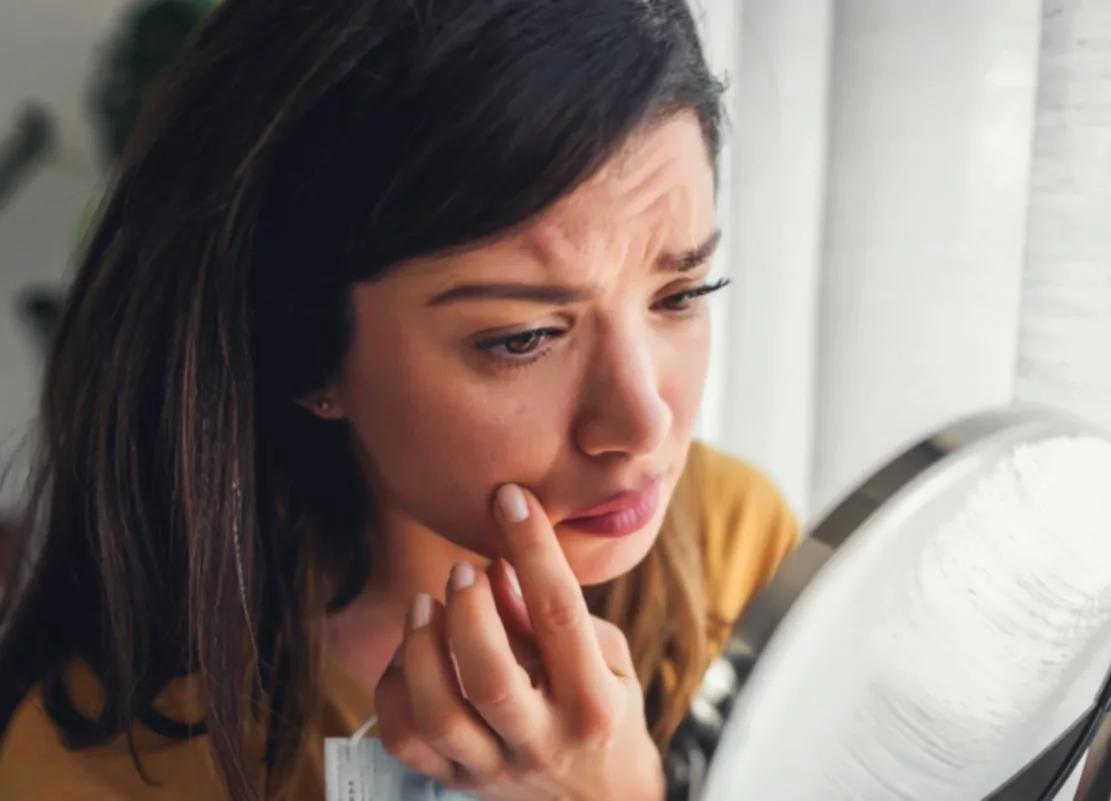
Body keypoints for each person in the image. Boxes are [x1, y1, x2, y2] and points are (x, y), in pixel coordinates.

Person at [0, 0, 801, 799]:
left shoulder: (739, 554)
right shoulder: (111, 762)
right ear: (304, 353)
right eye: (523, 338)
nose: (644, 423)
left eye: (683, 293)